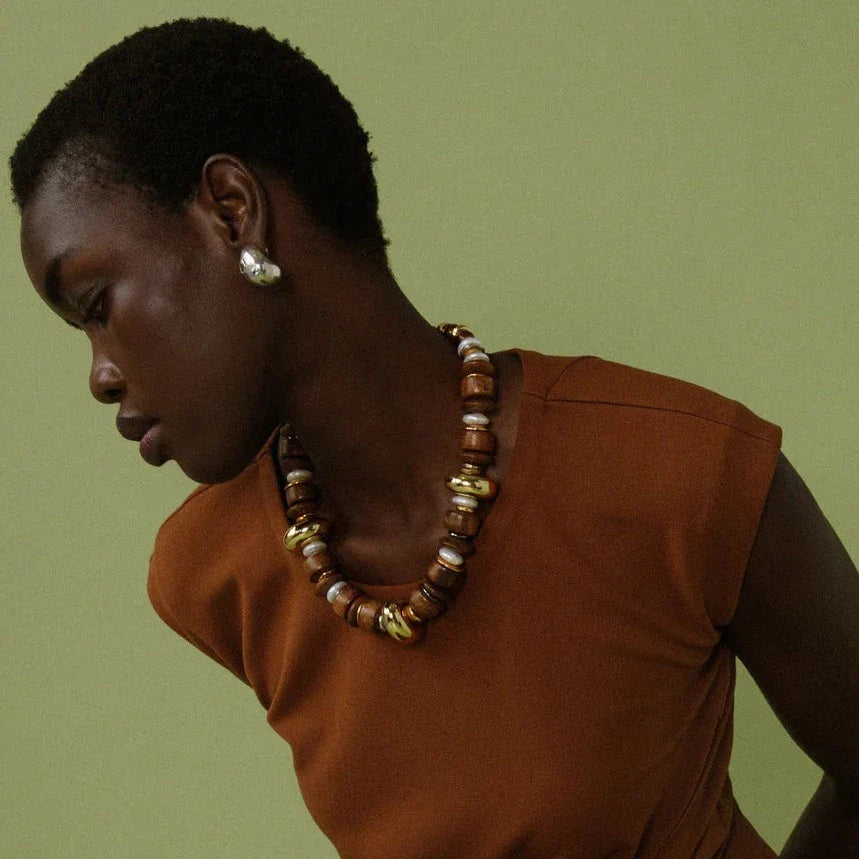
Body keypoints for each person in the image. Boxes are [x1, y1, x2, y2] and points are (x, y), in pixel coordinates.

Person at [10, 17, 859, 859]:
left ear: (232, 213)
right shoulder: (213, 573)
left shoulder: (676, 472)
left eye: (96, 306)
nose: (100, 376)